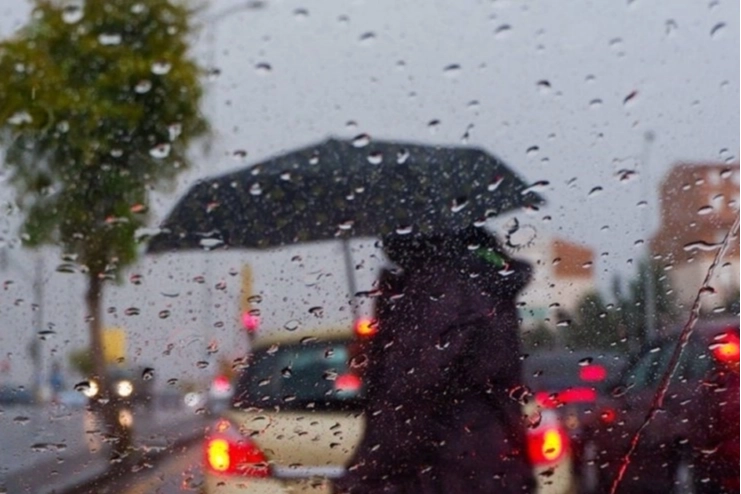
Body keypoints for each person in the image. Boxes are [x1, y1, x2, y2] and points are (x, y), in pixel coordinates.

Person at [336, 226, 535, 494]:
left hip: (445, 473)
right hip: (487, 467)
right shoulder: (479, 282)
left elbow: (410, 393)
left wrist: (364, 478)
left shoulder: (440, 286)